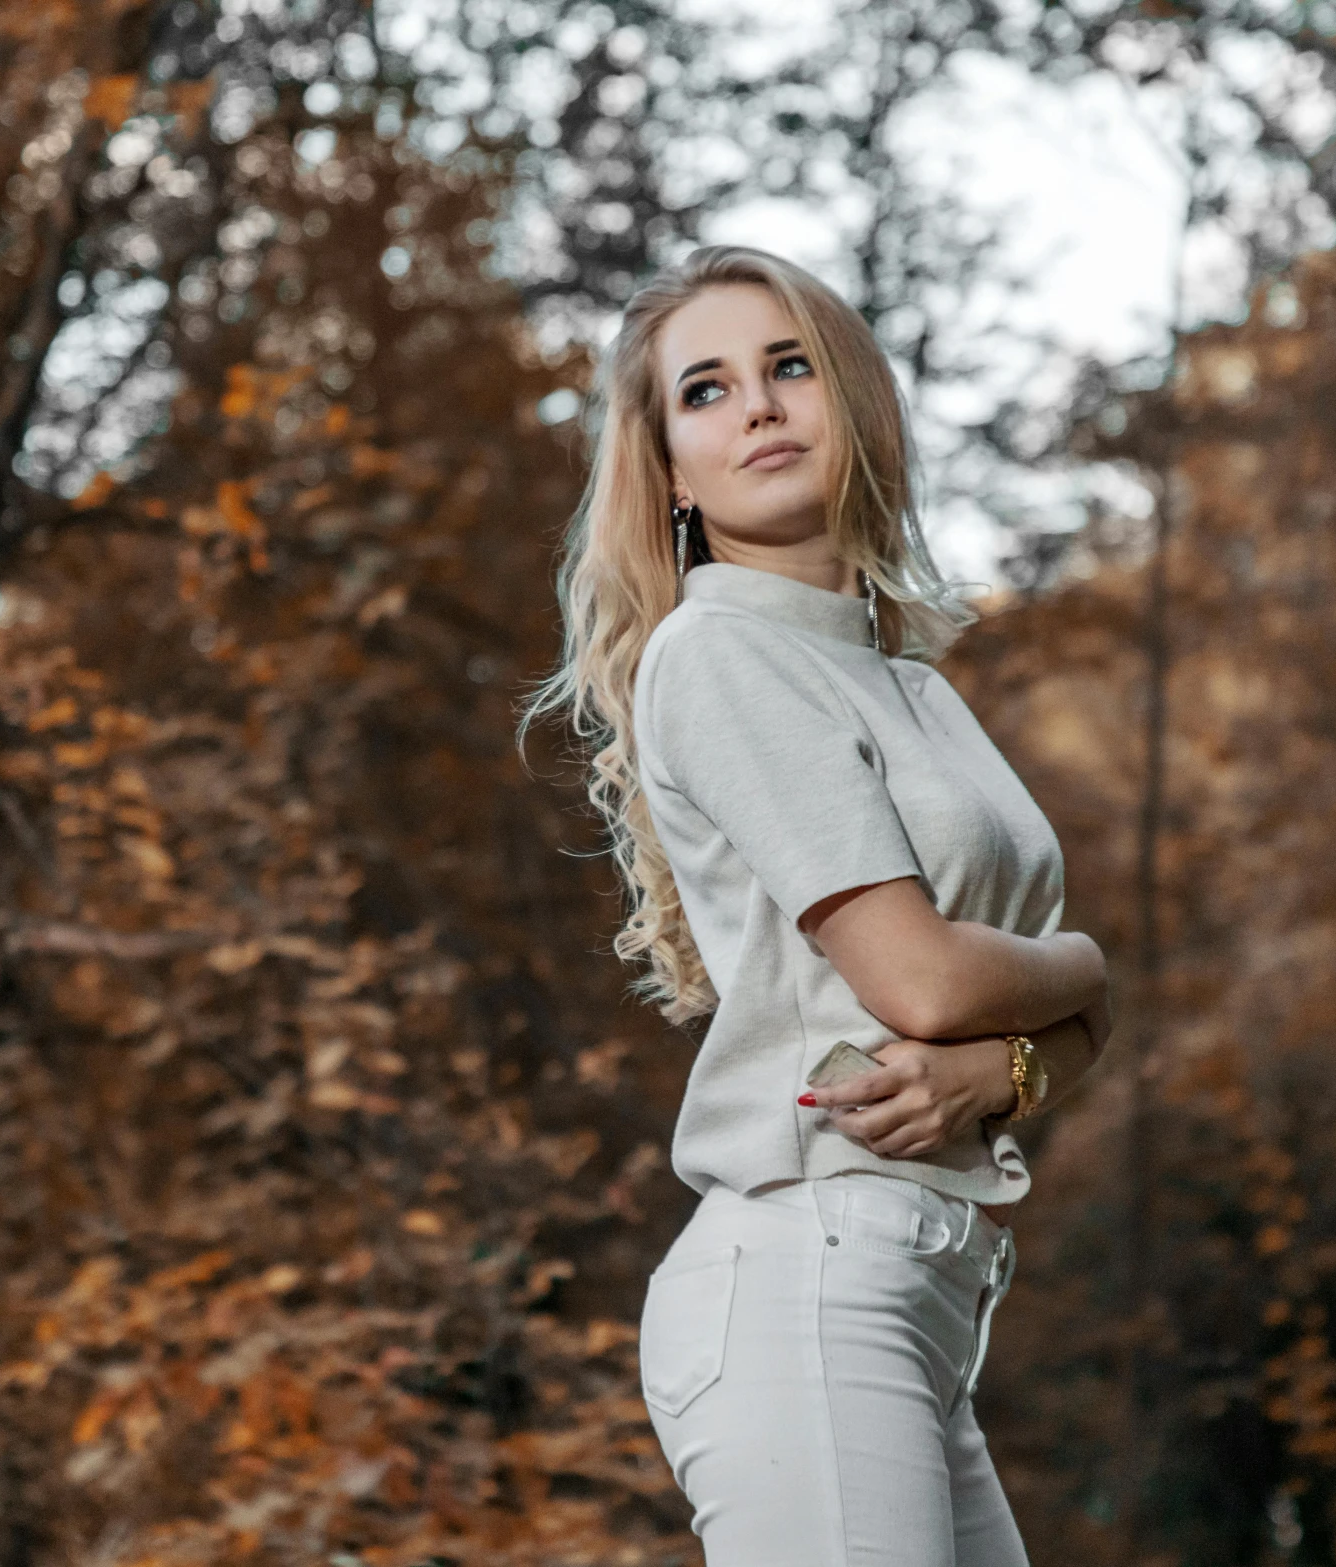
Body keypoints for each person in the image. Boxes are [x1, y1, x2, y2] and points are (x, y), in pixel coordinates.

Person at [520, 244, 1113, 1566]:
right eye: (707, 389)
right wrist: (1082, 961)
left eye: (789, 366)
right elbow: (925, 986)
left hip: (915, 1292)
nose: (760, 406)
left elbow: (1031, 1043)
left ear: (851, 401)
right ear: (671, 469)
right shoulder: (719, 650)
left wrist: (1005, 1065)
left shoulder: (914, 686)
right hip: (807, 1279)